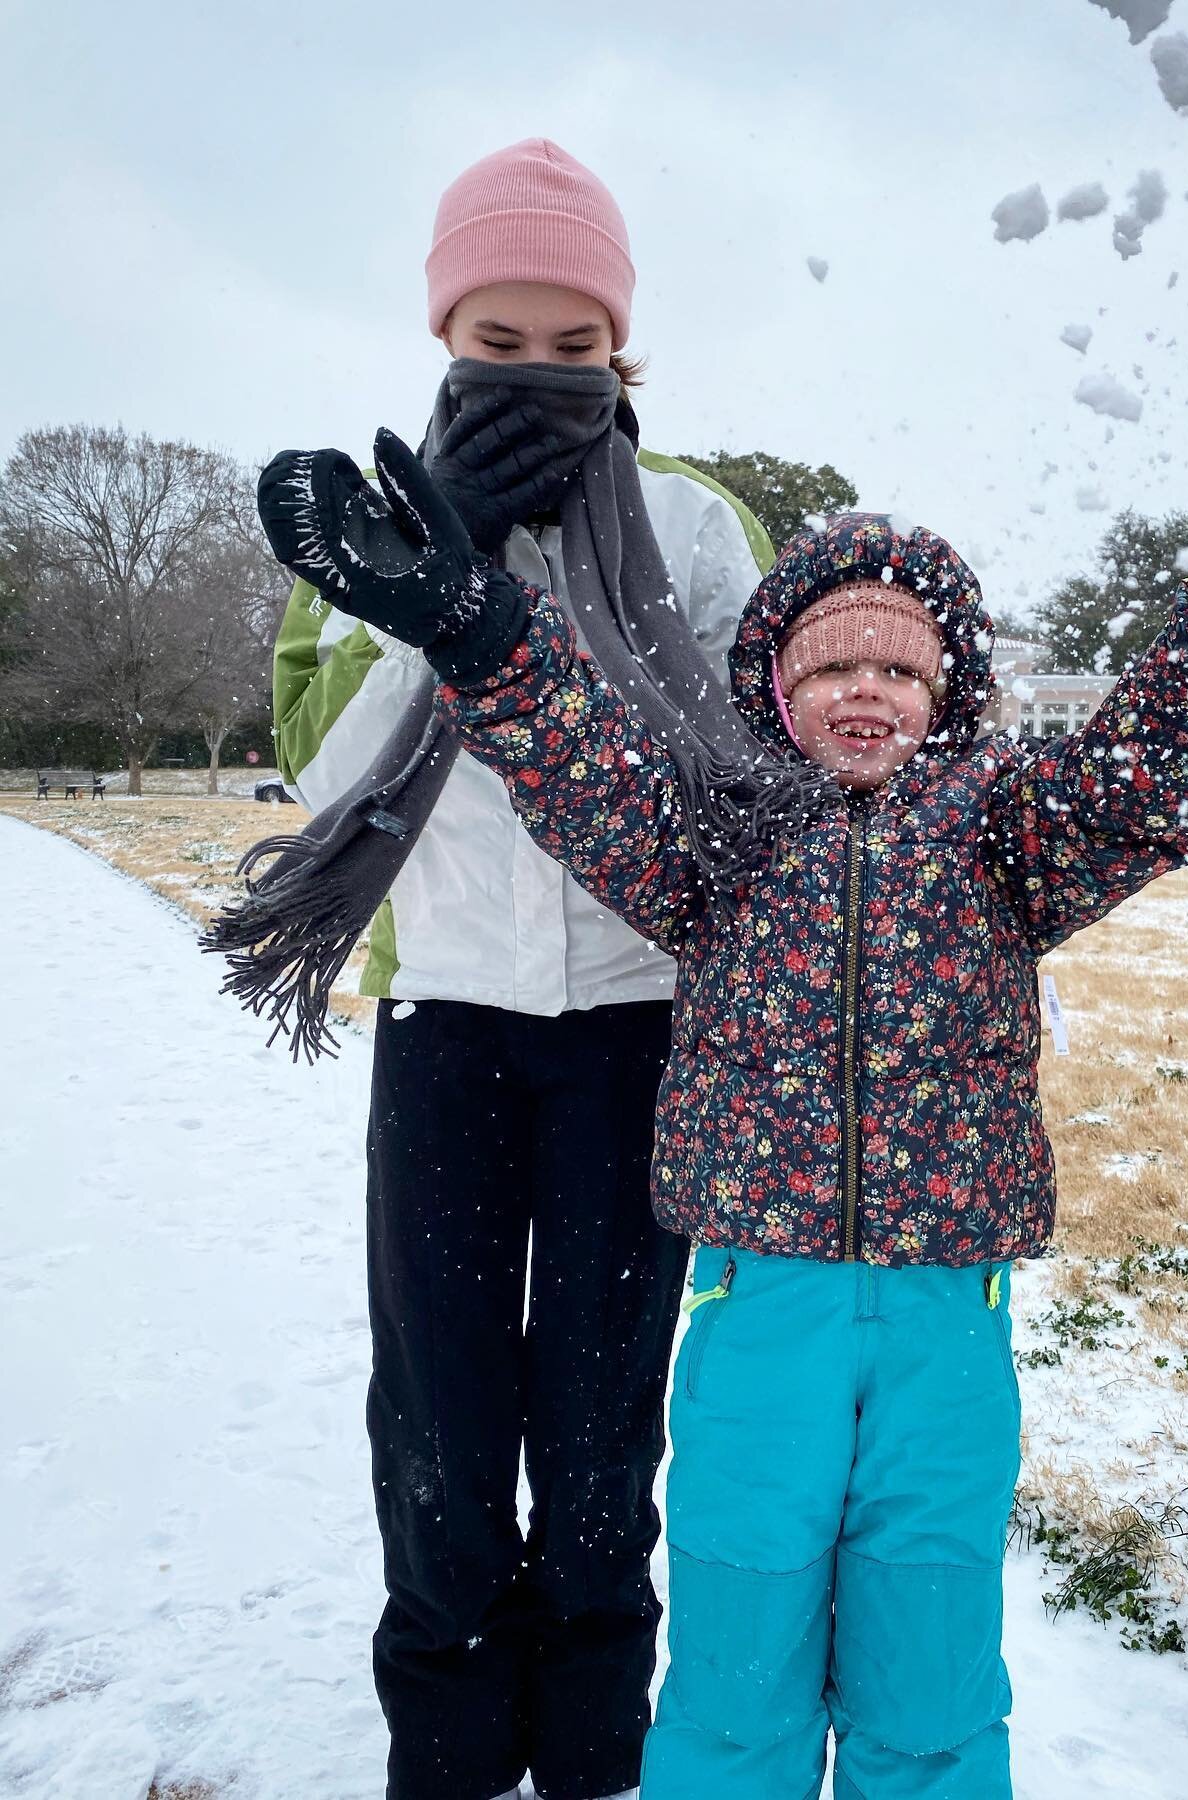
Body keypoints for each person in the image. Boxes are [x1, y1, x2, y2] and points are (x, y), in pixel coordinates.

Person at [253, 395, 1188, 1799]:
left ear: (948, 697)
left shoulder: (1008, 835)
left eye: (903, 669)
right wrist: (476, 627)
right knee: (738, 1663)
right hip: (763, 1317)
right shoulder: (722, 833)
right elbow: (579, 759)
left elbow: (1141, 784)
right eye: (830, 667)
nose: (866, 690)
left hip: (949, 1327)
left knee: (928, 1665)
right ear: (772, 685)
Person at [261, 139, 772, 1800]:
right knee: (443, 1398)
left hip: (640, 1027)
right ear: (445, 335)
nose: (540, 379)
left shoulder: (699, 522)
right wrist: (438, 579)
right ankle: (453, 1732)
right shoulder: (366, 525)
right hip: (452, 1025)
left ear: (621, 348)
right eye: (503, 345)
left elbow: (739, 766)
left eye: (577, 350)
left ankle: (593, 1734)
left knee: (606, 1398)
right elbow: (332, 783)